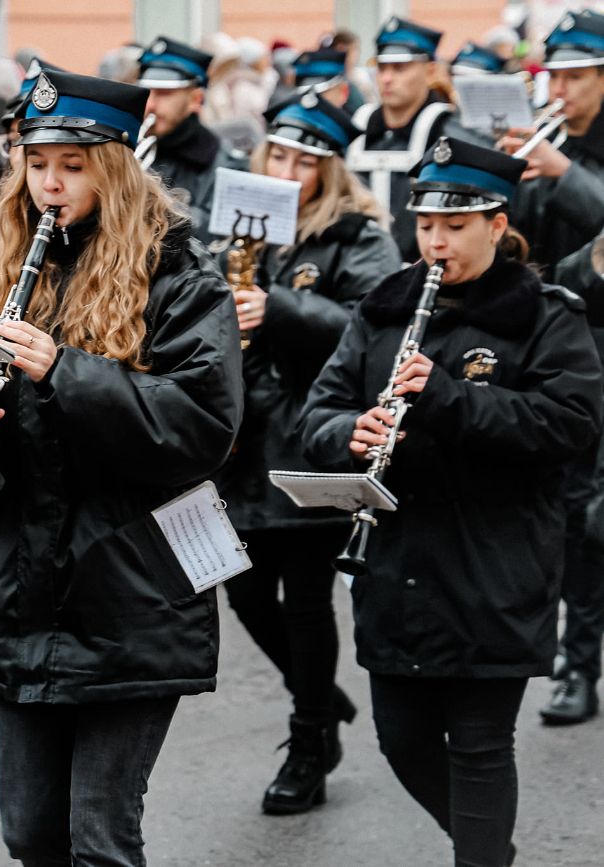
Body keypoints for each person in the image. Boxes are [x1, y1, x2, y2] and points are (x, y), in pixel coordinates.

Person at [0, 69, 244, 865]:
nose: (48, 182)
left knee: (100, 836)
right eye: (36, 161)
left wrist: (65, 371)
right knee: (30, 834)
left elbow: (201, 428)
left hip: (132, 587)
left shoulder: (179, 273)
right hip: (17, 590)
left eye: (73, 164)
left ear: (115, 168)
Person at [300, 136, 603, 867]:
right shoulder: (384, 311)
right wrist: (351, 431)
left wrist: (447, 398)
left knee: (479, 744)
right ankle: (490, 847)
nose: (435, 241)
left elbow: (569, 423)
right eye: (426, 224)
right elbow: (319, 414)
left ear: (497, 225)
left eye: (455, 226)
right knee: (401, 739)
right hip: (396, 568)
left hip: (496, 565)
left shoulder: (545, 315)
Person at [217, 92, 400, 816]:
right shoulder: (237, 220)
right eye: (280, 155)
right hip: (239, 443)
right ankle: (319, 696)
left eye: (306, 160)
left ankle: (308, 739)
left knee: (306, 601)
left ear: (330, 168)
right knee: (243, 590)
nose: (289, 170)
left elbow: (375, 322)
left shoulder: (358, 232)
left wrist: (281, 307)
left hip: (311, 436)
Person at [499, 8, 604, 726]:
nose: (560, 89)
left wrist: (565, 172)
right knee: (572, 510)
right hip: (559, 339)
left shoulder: (567, 155)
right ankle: (579, 662)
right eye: (554, 75)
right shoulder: (546, 143)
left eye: (575, 76)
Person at [345, 17, 478, 262]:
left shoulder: (451, 131)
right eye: (382, 68)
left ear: (429, 71)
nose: (386, 78)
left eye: (399, 68)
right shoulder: (357, 125)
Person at [136, 36, 246, 238]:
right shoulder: (132, 150)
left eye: (163, 94)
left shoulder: (226, 165)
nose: (150, 105)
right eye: (146, 93)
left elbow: (218, 243)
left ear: (196, 99)